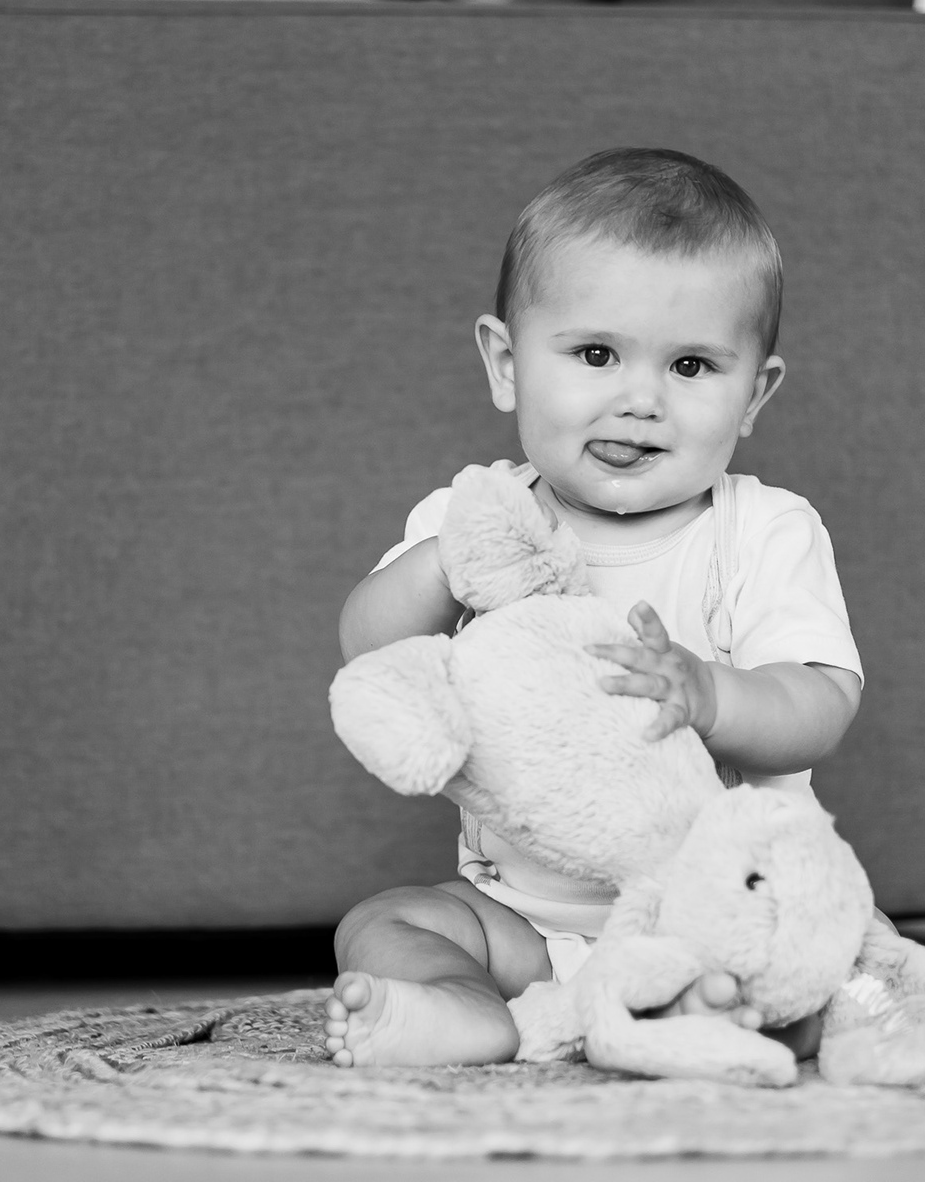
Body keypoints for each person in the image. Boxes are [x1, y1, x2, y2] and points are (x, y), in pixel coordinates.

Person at [323, 147, 863, 1068]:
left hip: (717, 914)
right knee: (387, 923)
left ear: (753, 394)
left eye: (691, 365)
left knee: (832, 943)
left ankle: (721, 1004)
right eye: (597, 354)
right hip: (524, 923)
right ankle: (465, 1011)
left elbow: (821, 705)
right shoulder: (478, 515)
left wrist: (712, 696)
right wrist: (447, 560)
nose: (640, 400)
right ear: (507, 364)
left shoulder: (763, 531)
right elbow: (369, 656)